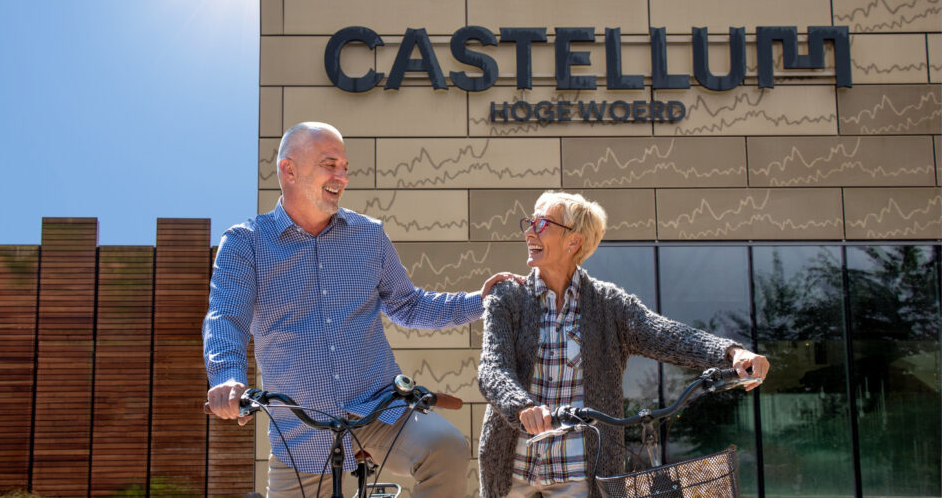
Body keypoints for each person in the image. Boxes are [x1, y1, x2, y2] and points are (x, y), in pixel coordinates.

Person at [204, 121, 518, 498]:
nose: (342, 177)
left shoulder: (368, 235)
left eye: (345, 168)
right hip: (300, 432)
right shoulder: (246, 244)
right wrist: (227, 377)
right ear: (289, 170)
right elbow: (227, 318)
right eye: (330, 164)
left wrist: (479, 301)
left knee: (446, 448)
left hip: (380, 411)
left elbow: (408, 304)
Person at [477, 191, 770, 498]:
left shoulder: (609, 305)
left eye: (542, 223)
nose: (529, 231)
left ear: (573, 242)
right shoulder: (508, 297)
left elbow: (666, 335)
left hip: (580, 474)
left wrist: (731, 353)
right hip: (513, 468)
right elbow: (492, 368)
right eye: (530, 222)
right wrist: (521, 406)